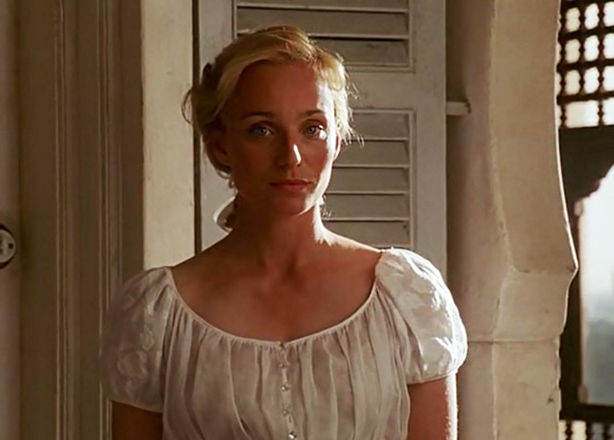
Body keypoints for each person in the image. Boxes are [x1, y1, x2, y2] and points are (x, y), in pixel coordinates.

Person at [100, 25, 468, 440]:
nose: (290, 156)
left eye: (312, 129)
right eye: (262, 129)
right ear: (221, 145)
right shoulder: (158, 315)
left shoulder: (405, 297)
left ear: (337, 140)